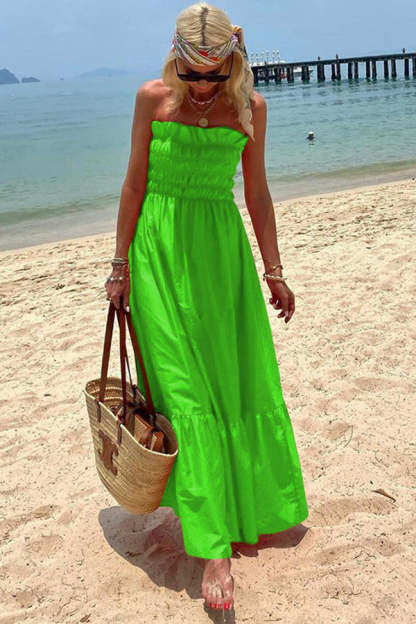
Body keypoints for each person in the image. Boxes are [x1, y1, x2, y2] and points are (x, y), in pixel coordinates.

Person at [105, 1, 309, 613]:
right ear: (175, 61)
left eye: (213, 75)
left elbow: (258, 195)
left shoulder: (251, 108)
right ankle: (212, 544)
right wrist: (119, 266)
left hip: (221, 262)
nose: (200, 87)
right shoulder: (151, 99)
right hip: (158, 258)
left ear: (233, 64)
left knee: (229, 385)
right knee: (182, 392)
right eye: (191, 74)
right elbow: (134, 184)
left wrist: (275, 270)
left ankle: (241, 506)